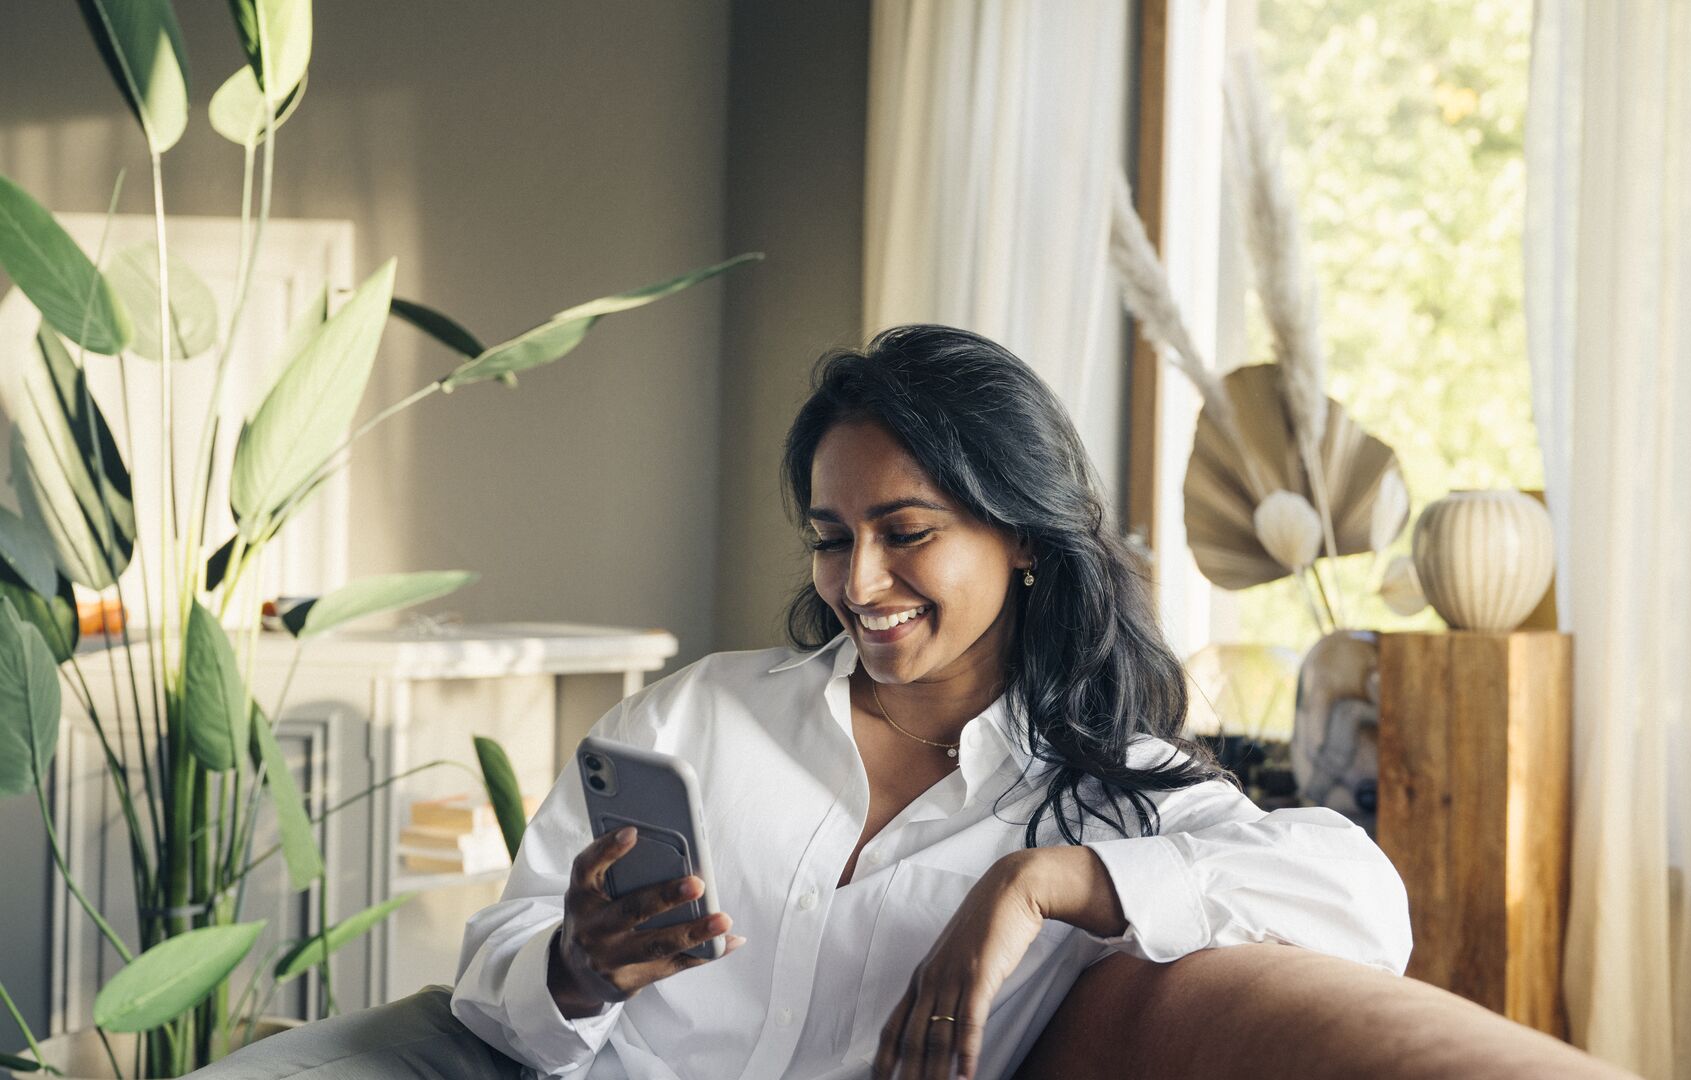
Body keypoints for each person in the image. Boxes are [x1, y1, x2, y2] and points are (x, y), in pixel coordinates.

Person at [189, 326, 1410, 1080]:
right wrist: (575, 965)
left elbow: (1364, 905)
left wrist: (1030, 884)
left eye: (906, 533)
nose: (858, 583)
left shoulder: (1110, 795)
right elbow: (499, 981)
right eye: (833, 539)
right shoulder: (696, 721)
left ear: (1026, 540)